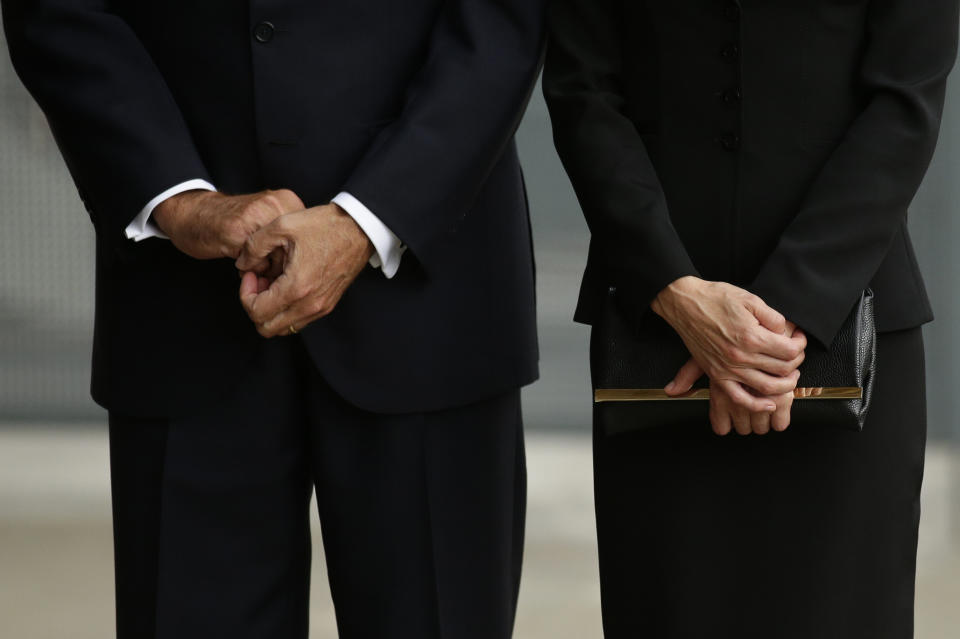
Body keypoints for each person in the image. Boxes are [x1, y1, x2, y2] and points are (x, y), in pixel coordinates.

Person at [2, 1, 546, 637]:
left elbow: (505, 17)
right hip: (183, 295)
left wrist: (366, 220)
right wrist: (179, 200)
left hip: (428, 290)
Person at [544, 1, 958, 637]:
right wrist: (673, 289)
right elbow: (583, 89)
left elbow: (906, 103)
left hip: (847, 330)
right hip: (657, 337)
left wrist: (786, 313)